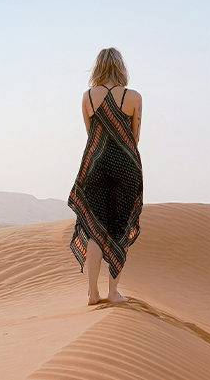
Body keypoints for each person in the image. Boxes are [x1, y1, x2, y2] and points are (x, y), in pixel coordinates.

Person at [67, 47, 144, 305]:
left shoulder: (87, 98)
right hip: (126, 170)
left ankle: (92, 293)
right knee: (119, 228)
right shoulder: (134, 97)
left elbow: (92, 135)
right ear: (121, 67)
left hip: (95, 168)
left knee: (94, 230)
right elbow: (135, 137)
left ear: (98, 67)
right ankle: (113, 292)